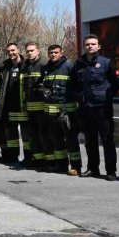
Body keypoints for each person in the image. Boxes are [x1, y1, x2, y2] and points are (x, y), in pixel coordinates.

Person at [72, 34, 119, 180]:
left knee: (107, 140)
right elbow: (74, 84)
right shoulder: (78, 64)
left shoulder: (106, 63)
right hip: (86, 108)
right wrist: (79, 98)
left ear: (98, 46)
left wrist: (104, 97)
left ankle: (111, 171)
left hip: (102, 108)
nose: (90, 46)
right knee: (90, 140)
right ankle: (93, 168)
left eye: (93, 44)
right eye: (87, 44)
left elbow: (116, 84)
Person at [39, 44, 81, 175]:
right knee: (55, 139)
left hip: (67, 112)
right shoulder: (45, 69)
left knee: (71, 140)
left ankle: (76, 167)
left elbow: (77, 87)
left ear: (61, 53)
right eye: (51, 52)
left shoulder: (70, 67)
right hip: (51, 113)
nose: (53, 55)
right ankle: (61, 165)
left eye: (56, 52)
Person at [0, 43, 28, 164]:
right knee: (10, 134)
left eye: (13, 50)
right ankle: (13, 156)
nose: (11, 53)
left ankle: (28, 157)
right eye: (8, 51)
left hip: (22, 105)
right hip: (8, 105)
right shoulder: (5, 66)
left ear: (18, 50)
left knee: (26, 135)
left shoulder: (26, 65)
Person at [21, 42, 45, 167]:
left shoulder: (43, 65)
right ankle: (37, 159)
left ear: (38, 51)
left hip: (41, 108)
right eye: (28, 51)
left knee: (42, 135)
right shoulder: (26, 67)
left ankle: (44, 160)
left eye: (32, 50)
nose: (29, 53)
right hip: (30, 108)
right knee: (33, 135)